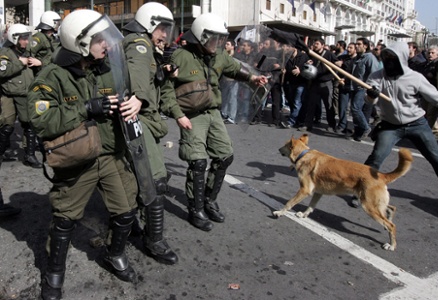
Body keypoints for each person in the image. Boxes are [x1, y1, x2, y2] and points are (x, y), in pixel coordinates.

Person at [27, 10, 139, 299]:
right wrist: (86, 108)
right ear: (81, 42)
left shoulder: (106, 67)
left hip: (111, 153)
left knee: (126, 211)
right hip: (78, 159)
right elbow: (40, 120)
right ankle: (54, 273)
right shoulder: (52, 75)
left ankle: (114, 255)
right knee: (65, 220)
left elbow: (129, 93)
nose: (107, 45)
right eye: (100, 40)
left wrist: (136, 102)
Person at [160, 13, 267, 231]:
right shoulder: (180, 56)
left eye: (220, 39)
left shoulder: (219, 55)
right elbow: (166, 90)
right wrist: (178, 114)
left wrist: (252, 77)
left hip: (213, 112)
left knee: (225, 155)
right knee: (198, 162)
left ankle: (208, 199)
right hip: (192, 115)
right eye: (214, 39)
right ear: (201, 37)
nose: (218, 43)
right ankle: (195, 207)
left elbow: (234, 69)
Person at [357, 41, 438, 208]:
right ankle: (360, 190)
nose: (389, 62)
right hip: (390, 125)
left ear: (402, 59)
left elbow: (434, 96)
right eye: (386, 57)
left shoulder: (415, 77)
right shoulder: (377, 76)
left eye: (393, 58)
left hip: (416, 123)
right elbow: (370, 101)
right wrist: (371, 94)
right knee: (376, 157)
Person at [120, 2, 179, 265]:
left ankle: (130, 220)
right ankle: (153, 240)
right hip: (138, 118)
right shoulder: (139, 43)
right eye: (162, 28)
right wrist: (140, 97)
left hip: (145, 118)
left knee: (137, 175)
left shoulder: (145, 45)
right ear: (148, 23)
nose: (165, 34)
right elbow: (137, 70)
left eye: (167, 29)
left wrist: (165, 74)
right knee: (156, 180)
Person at [0, 24, 42, 168]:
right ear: (15, 38)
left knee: (29, 124)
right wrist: (19, 63)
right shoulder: (5, 52)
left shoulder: (27, 51)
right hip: (9, 94)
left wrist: (39, 63)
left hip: (25, 94)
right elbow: (2, 71)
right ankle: (2, 152)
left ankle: (29, 155)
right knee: (6, 125)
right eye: (23, 38)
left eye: (27, 38)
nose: (26, 41)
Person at [297, 38, 339, 132]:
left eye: (317, 44)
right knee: (311, 105)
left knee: (328, 105)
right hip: (315, 83)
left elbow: (338, 64)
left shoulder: (329, 54)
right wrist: (308, 64)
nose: (315, 45)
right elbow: (307, 65)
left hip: (326, 83)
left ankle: (332, 125)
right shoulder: (312, 54)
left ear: (322, 45)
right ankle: (308, 125)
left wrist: (336, 68)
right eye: (314, 43)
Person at [347, 37, 380, 141]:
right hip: (355, 87)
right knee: (355, 110)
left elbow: (374, 74)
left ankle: (366, 128)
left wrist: (371, 88)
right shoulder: (358, 57)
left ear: (365, 46)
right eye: (356, 44)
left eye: (359, 44)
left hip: (363, 88)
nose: (357, 46)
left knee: (356, 108)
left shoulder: (369, 57)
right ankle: (358, 132)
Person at [280, 43, 309, 129]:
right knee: (292, 102)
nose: (286, 49)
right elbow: (287, 68)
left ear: (294, 48)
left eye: (288, 47)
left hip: (301, 83)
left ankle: (291, 121)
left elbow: (309, 67)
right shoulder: (286, 57)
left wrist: (301, 70)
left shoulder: (303, 56)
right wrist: (284, 71)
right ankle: (298, 120)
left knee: (297, 102)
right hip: (291, 82)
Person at [336, 42, 356, 134]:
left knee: (355, 108)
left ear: (355, 49)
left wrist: (345, 78)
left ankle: (356, 127)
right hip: (344, 86)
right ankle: (342, 125)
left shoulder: (358, 60)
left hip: (355, 87)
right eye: (348, 47)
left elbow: (355, 73)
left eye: (351, 48)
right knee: (342, 106)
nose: (348, 49)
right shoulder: (343, 58)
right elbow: (334, 62)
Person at [220, 40, 239, 124]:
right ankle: (224, 113)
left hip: (233, 81)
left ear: (232, 46)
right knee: (224, 98)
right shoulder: (224, 55)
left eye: (228, 44)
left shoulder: (236, 57)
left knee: (232, 98)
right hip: (224, 80)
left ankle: (232, 116)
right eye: (225, 44)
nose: (225, 46)